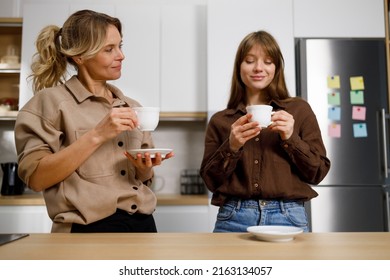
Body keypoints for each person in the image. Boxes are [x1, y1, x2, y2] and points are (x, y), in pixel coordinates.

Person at [14, 9, 173, 233]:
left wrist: (145, 169)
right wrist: (98, 134)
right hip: (85, 230)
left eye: (120, 46)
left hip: (144, 224)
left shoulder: (132, 106)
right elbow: (36, 178)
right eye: (109, 49)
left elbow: (144, 180)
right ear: (80, 56)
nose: (121, 55)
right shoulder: (48, 104)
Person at [200, 30, 330, 233]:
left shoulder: (299, 110)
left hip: (288, 217)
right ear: (239, 67)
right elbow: (210, 181)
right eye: (250, 60)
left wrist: (290, 138)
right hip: (233, 217)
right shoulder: (221, 121)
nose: (258, 68)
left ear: (276, 67)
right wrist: (232, 146)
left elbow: (317, 173)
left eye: (268, 61)